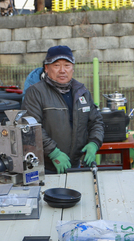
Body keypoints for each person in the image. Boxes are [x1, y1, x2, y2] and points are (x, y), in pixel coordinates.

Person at [23, 45, 104, 173]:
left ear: (73, 68)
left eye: (67, 65)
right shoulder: (35, 92)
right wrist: (53, 153)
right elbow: (31, 127)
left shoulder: (82, 92)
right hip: (46, 168)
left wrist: (94, 143)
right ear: (46, 68)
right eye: (56, 65)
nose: (62, 70)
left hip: (75, 166)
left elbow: (96, 122)